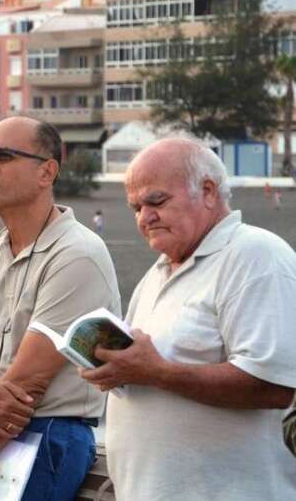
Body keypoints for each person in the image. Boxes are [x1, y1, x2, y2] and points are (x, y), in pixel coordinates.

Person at [82, 137, 296, 500]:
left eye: (156, 202)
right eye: (136, 207)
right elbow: (148, 368)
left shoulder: (256, 256)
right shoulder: (159, 271)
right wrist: (116, 370)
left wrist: (157, 372)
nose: (144, 217)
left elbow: (274, 386)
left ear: (208, 191)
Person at [0, 116, 121, 501]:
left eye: (3, 156)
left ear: (47, 172)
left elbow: (26, 388)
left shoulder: (77, 254)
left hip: (43, 433)